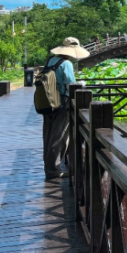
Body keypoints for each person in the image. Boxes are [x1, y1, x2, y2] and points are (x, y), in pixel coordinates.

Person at [41, 37, 89, 179]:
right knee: (59, 137)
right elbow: (70, 84)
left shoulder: (51, 61)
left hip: (47, 102)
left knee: (48, 135)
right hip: (61, 103)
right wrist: (82, 84)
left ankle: (48, 167)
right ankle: (53, 170)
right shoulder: (66, 63)